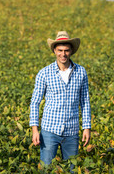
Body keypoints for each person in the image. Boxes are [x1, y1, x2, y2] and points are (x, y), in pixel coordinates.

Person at [29, 31, 91, 167]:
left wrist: (86, 127)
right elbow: (35, 102)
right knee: (46, 168)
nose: (63, 54)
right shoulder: (44, 73)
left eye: (67, 50)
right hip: (49, 131)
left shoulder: (81, 72)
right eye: (60, 50)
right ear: (54, 51)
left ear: (71, 51)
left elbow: (85, 101)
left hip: (72, 131)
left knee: (72, 169)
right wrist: (35, 130)